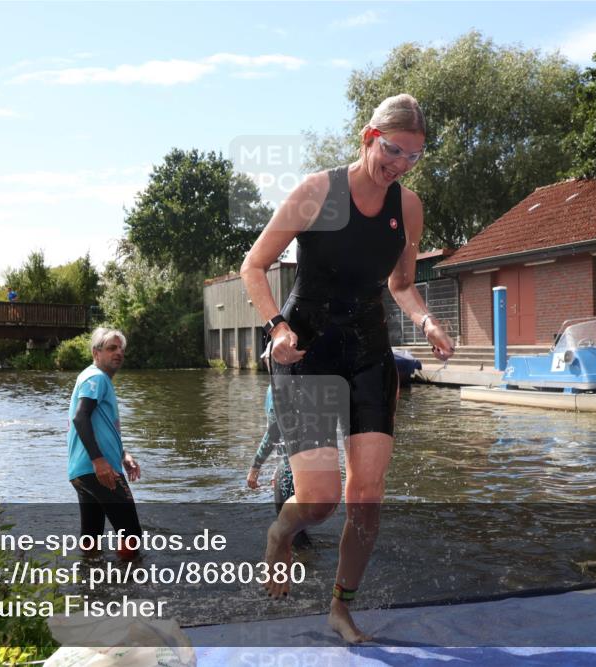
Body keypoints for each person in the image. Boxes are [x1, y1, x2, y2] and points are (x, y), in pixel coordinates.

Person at [240, 93, 455, 643]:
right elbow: (255, 266)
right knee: (319, 499)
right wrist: (276, 329)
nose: (400, 165)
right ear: (368, 137)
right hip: (306, 351)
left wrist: (426, 321)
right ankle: (280, 534)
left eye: (413, 157)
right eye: (393, 151)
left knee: (367, 499)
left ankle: (341, 606)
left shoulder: (407, 207)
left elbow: (401, 284)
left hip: (367, 351)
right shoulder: (317, 192)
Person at [67, 327, 143, 560]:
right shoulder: (96, 377)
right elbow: (80, 418)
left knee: (91, 535)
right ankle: (130, 588)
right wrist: (99, 461)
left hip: (81, 472)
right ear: (96, 353)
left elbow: (102, 426)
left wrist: (122, 455)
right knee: (131, 533)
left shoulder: (95, 378)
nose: (118, 352)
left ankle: (91, 588)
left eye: (120, 348)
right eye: (111, 348)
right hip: (98, 470)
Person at [246, 378, 312, 550]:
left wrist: (255, 466)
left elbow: (274, 432)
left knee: (289, 530)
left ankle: (306, 571)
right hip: (307, 465)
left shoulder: (277, 388)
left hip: (291, 469)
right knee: (297, 526)